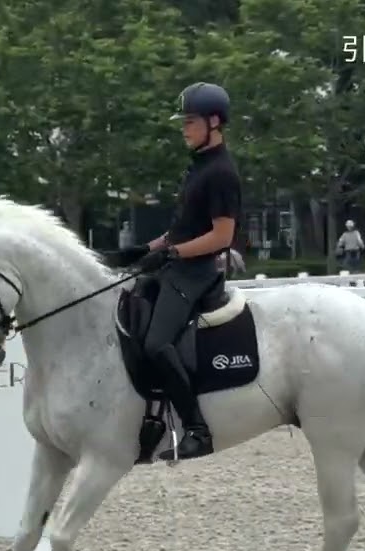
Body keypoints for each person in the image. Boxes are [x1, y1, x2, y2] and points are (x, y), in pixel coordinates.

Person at [107, 81, 241, 461]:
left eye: (190, 121)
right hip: (177, 265)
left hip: (194, 274)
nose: (184, 128)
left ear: (214, 122)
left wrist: (173, 254)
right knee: (128, 314)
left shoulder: (221, 173)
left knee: (155, 343)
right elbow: (184, 227)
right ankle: (149, 421)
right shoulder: (198, 167)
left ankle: (197, 428)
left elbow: (221, 235)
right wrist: (144, 249)